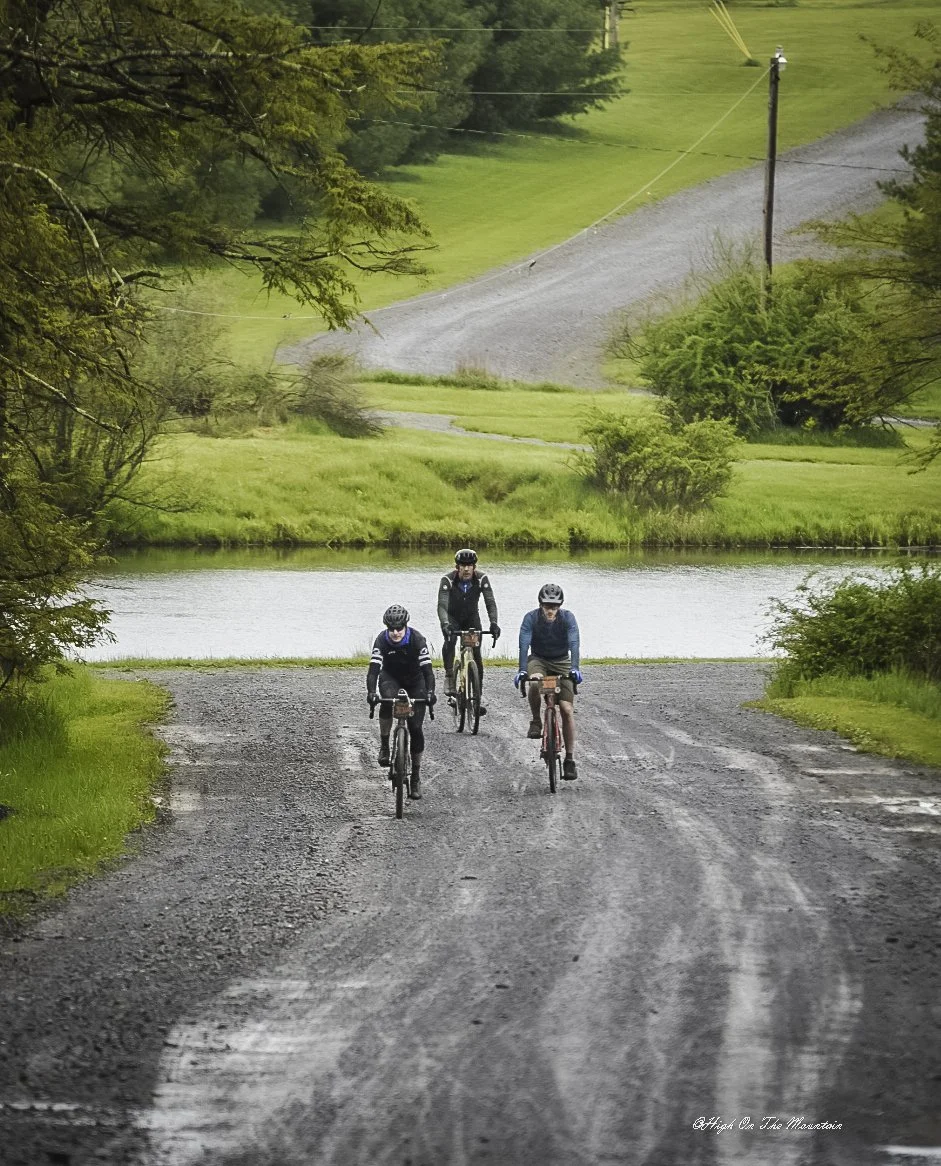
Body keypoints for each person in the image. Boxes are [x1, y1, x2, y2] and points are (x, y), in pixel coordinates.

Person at [366, 604, 436, 799]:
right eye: (391, 629)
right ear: (387, 628)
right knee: (387, 701)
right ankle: (385, 745)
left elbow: (428, 672)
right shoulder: (382, 640)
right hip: (391, 677)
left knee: (415, 728)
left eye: (399, 628)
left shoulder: (417, 639)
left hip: (416, 680)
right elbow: (373, 671)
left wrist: (430, 693)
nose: (395, 633)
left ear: (406, 626)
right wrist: (371, 692)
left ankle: (415, 776)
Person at [514, 583, 583, 780]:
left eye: (554, 606)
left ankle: (569, 760)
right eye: (547, 606)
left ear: (560, 605)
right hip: (539, 660)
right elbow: (523, 644)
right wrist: (522, 670)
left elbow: (574, 643)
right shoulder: (531, 618)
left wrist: (575, 668)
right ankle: (536, 721)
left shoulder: (568, 618)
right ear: (540, 605)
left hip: (562, 661)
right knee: (535, 682)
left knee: (567, 710)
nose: (551, 610)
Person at [437, 548, 500, 712]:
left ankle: (476, 700)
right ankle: (450, 674)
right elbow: (442, 605)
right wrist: (445, 624)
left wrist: (494, 623)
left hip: (471, 618)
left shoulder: (481, 579)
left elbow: (490, 602)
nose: (466, 569)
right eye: (462, 565)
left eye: (469, 565)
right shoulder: (447, 580)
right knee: (450, 640)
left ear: (474, 566)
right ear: (457, 566)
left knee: (477, 656)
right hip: (452, 618)